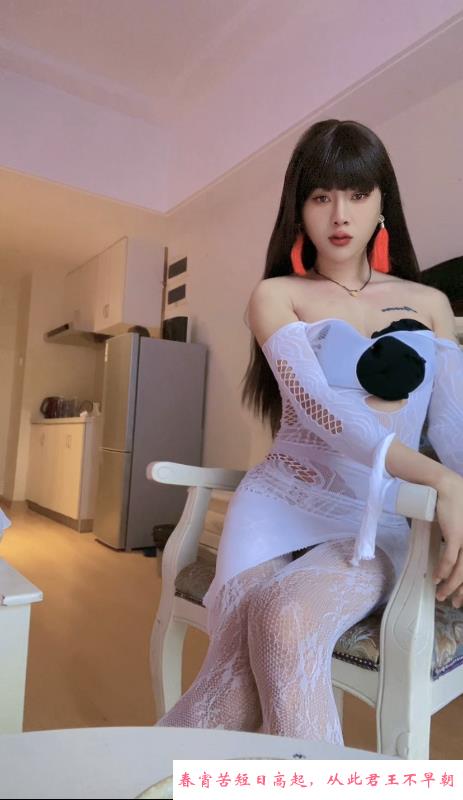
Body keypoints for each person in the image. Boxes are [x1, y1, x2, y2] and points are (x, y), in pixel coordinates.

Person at [155, 119, 463, 743]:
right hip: (279, 500)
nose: (340, 214)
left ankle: (129, 775)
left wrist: (457, 487)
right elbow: (325, 414)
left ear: (382, 202)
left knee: (286, 617)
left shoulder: (428, 303)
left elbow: (453, 427)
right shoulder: (275, 295)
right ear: (299, 208)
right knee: (233, 682)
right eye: (321, 196)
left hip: (379, 516)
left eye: (357, 194)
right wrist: (439, 477)